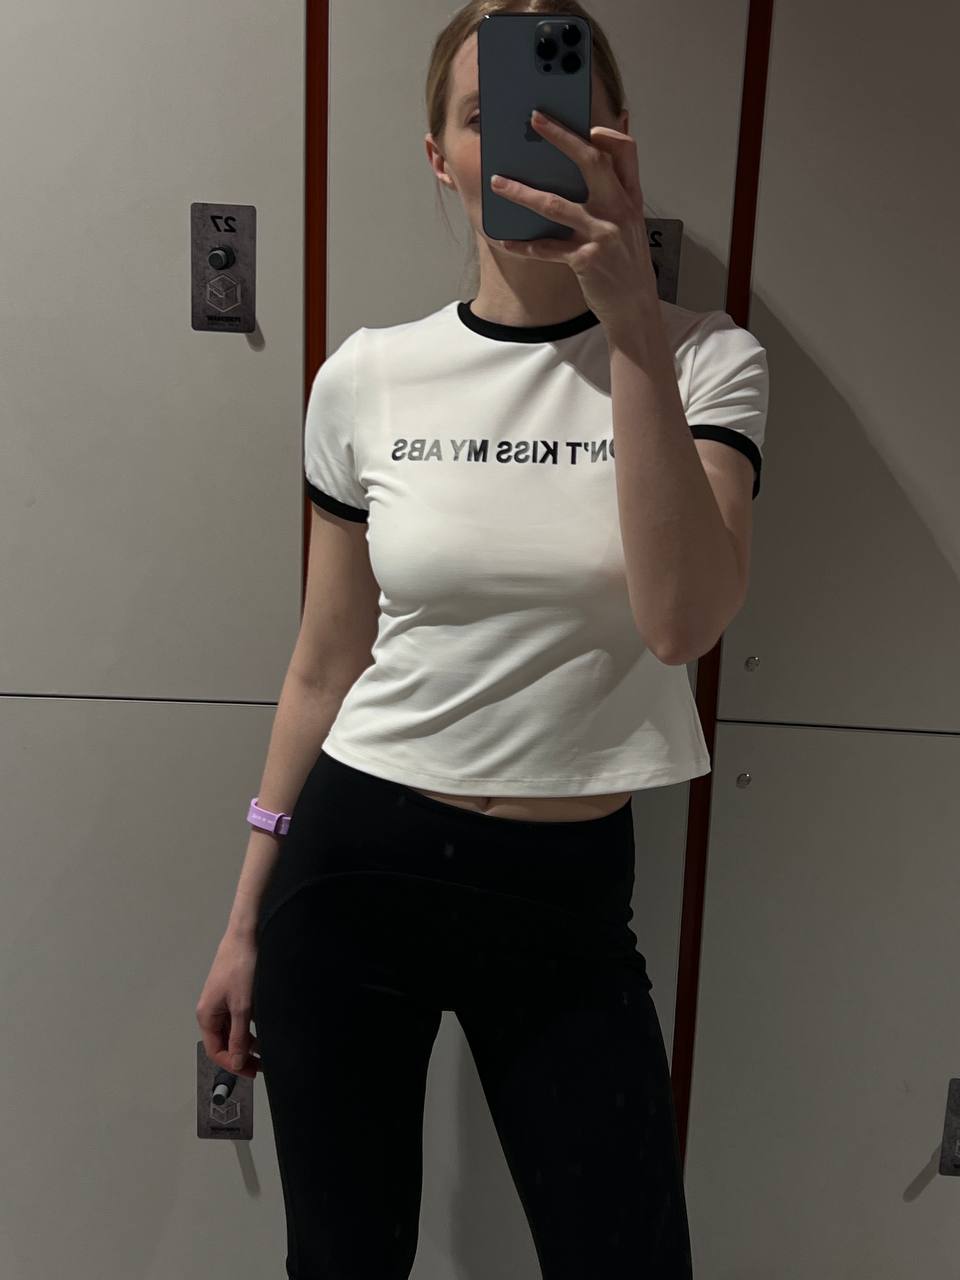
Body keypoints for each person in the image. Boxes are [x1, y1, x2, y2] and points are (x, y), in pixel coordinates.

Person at [197, 3, 768, 1276]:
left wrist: (632, 327)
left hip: (564, 896)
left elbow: (680, 621)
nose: (521, 141)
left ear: (615, 143)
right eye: (485, 116)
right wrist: (243, 915)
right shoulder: (365, 376)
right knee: (343, 1264)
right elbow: (324, 661)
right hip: (357, 867)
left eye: (562, 118)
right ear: (441, 158)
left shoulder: (707, 361)